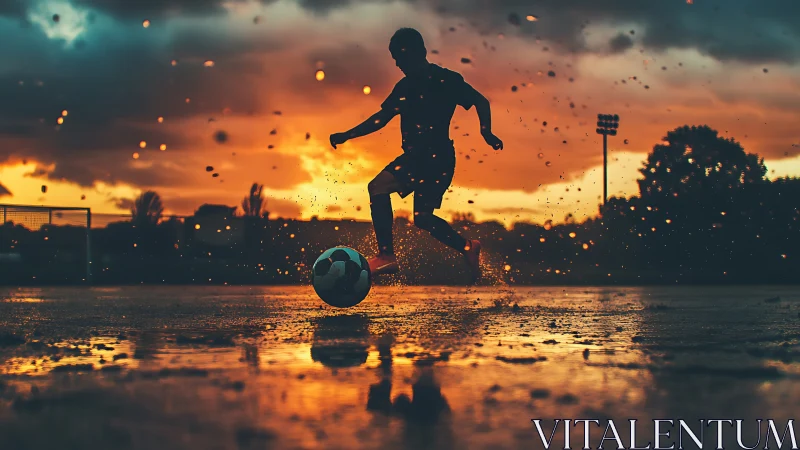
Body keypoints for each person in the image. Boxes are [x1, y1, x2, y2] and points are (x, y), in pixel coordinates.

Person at [330, 28, 503, 281]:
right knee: (417, 214)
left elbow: (480, 100)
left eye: (401, 56)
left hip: (434, 158)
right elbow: (381, 119)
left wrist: (486, 132)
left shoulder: (447, 79)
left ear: (420, 52)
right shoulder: (405, 86)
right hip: (425, 159)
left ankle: (387, 256)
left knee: (387, 194)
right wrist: (348, 134)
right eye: (395, 59)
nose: (398, 63)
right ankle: (467, 246)